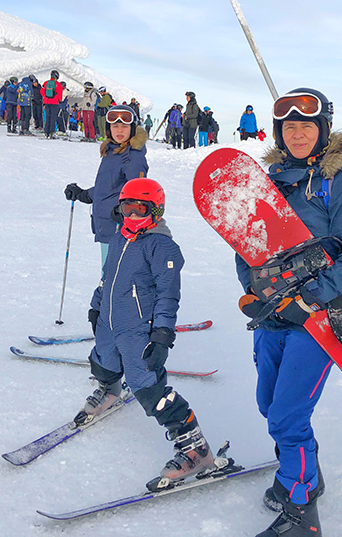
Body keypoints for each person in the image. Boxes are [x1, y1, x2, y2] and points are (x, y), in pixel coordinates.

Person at [235, 88, 342, 537]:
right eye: (289, 128)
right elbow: (248, 243)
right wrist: (252, 290)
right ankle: (303, 476)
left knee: (288, 415)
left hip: (322, 319)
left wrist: (311, 297)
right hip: (274, 314)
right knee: (268, 405)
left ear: (324, 131)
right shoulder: (273, 179)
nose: (297, 134)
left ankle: (301, 512)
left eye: (307, 127)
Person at [78, 176, 215, 490]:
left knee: (148, 386)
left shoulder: (161, 244)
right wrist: (97, 305)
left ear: (156, 210)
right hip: (110, 321)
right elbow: (107, 277)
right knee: (102, 362)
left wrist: (162, 334)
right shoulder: (119, 237)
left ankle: (196, 450)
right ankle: (111, 391)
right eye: (128, 207)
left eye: (142, 208)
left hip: (139, 328)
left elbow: (168, 293)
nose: (134, 214)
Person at [64, 105, 149, 265]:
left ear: (132, 128)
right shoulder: (112, 152)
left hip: (121, 227)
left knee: (116, 277)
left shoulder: (133, 157)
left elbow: (139, 193)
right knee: (108, 275)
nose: (119, 130)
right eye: (115, 126)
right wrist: (83, 194)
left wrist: (126, 211)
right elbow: (108, 187)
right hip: (106, 223)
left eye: (124, 126)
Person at [41, 71, 63, 138]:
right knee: (53, 118)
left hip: (47, 102)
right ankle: (51, 132)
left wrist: (46, 96)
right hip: (54, 103)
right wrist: (59, 100)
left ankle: (46, 132)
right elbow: (59, 94)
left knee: (47, 117)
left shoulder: (45, 83)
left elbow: (42, 91)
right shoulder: (58, 84)